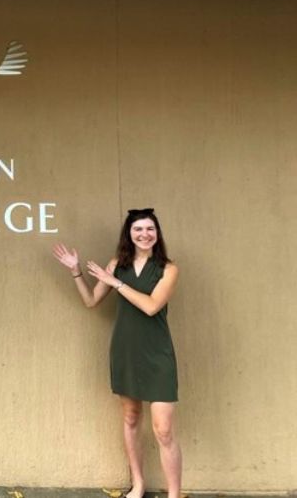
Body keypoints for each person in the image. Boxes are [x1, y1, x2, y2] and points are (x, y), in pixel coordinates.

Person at [52, 208, 182, 498]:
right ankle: (138, 485)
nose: (145, 234)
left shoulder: (168, 269)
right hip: (124, 351)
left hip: (158, 354)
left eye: (150, 229)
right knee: (132, 418)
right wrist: (76, 270)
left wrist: (116, 283)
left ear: (157, 233)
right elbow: (91, 301)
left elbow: (151, 306)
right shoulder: (116, 264)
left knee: (163, 430)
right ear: (129, 234)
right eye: (138, 229)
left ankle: (174, 494)